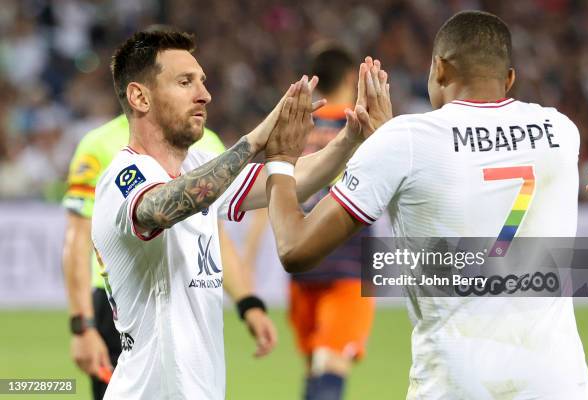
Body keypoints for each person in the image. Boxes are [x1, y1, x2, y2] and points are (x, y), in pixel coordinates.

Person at [264, 11, 588, 400]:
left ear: (439, 69)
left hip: (456, 386)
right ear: (509, 79)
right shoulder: (560, 131)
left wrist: (280, 161)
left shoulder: (407, 140)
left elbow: (295, 248)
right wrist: (386, 153)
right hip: (560, 385)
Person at [91, 30, 378, 399]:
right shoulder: (122, 178)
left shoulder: (198, 164)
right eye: (184, 82)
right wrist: (256, 141)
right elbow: (162, 206)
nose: (204, 94)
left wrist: (352, 137)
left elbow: (294, 179)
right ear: (139, 96)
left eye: (202, 81)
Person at [62, 113, 276, 399]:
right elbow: (77, 237)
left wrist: (247, 303)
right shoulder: (99, 145)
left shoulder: (206, 145)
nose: (202, 95)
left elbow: (215, 238)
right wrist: (82, 326)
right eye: (183, 82)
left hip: (191, 299)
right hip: (124, 305)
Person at [288, 44, 375, 400]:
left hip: (301, 258)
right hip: (347, 261)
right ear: (350, 78)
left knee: (313, 363)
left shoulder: (296, 125)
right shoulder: (359, 124)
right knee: (332, 365)